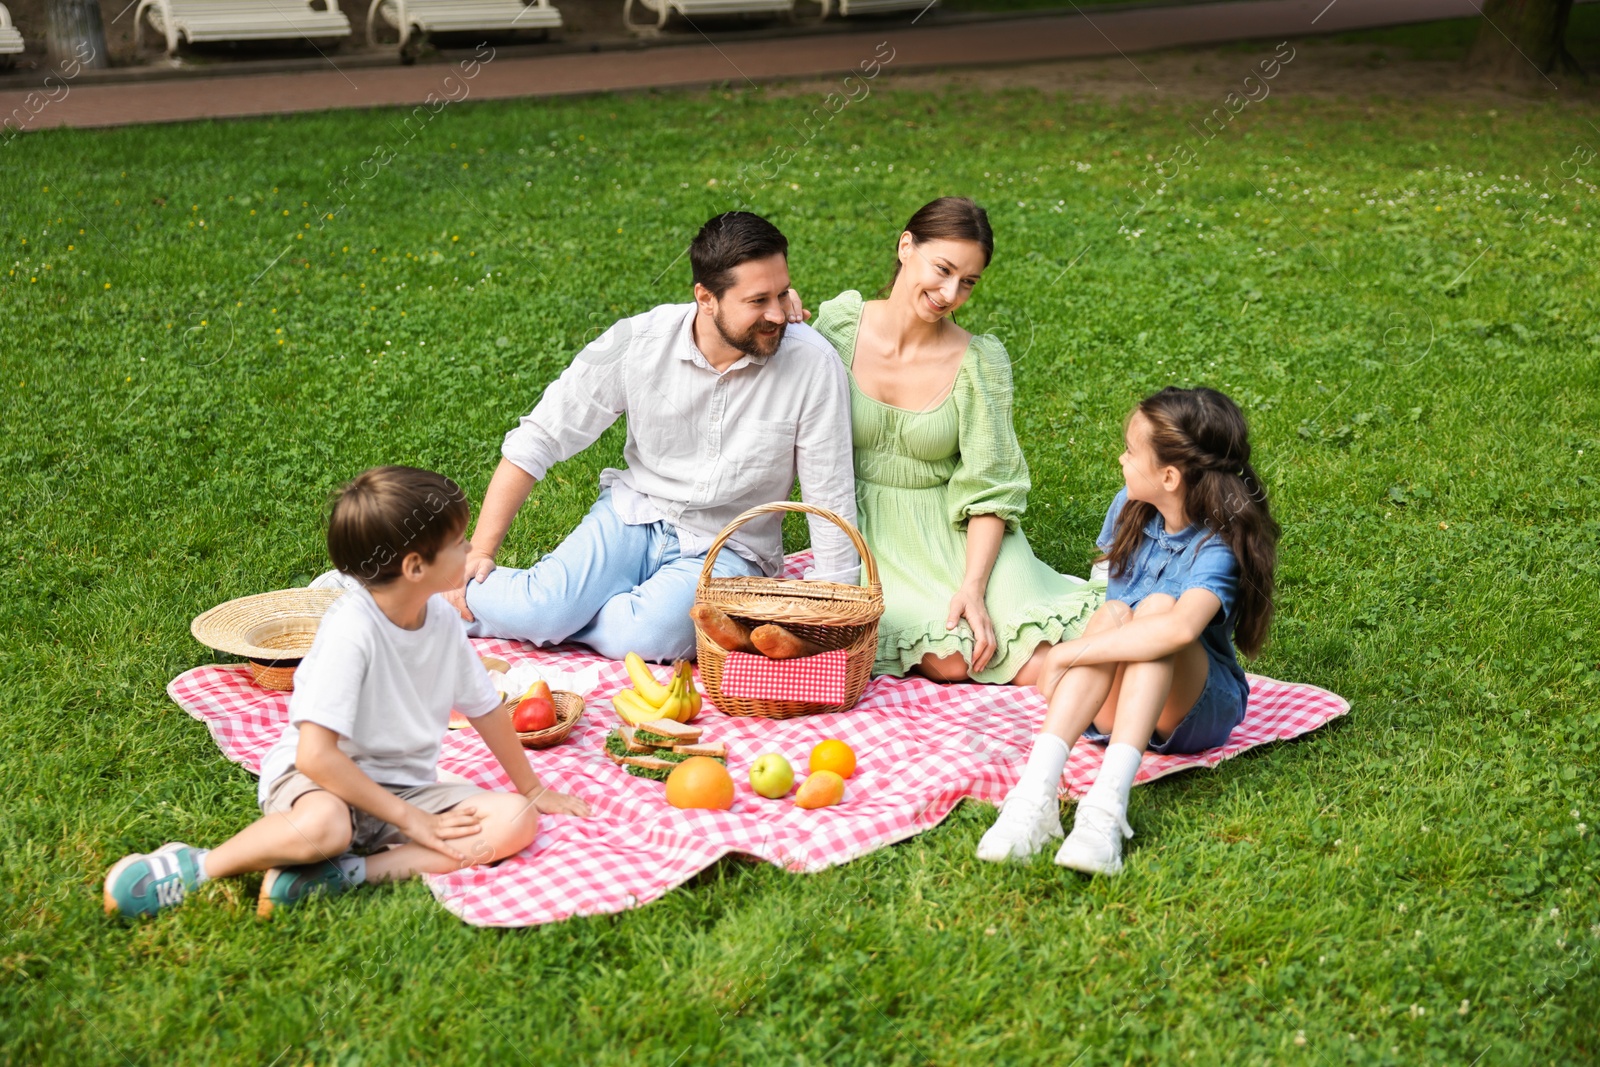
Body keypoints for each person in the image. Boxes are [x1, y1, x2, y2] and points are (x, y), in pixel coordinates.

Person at [104, 466, 590, 920]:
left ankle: (344, 875)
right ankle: (197, 866)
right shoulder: (351, 632)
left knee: (514, 822)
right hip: (320, 782)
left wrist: (532, 789)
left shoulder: (441, 620)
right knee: (327, 827)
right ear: (416, 566)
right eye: (460, 543)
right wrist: (412, 822)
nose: (470, 553)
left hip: (403, 787)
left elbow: (484, 707)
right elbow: (317, 758)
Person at [447, 212, 859, 663]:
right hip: (635, 513)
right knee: (548, 607)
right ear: (706, 298)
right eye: (758, 300)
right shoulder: (638, 342)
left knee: (650, 635)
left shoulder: (812, 365)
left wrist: (834, 620)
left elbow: (829, 494)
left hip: (732, 547)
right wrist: (482, 549)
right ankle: (443, 597)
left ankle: (550, 615)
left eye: (782, 293)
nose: (779, 314)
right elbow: (540, 437)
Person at [976, 387, 1280, 875]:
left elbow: (1179, 630)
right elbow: (1112, 603)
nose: (1121, 456)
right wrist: (1079, 649)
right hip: (1122, 705)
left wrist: (1065, 655)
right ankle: (1034, 797)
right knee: (1116, 613)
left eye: (1131, 450)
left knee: (1158, 609)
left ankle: (1106, 810)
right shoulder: (1130, 506)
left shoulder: (1217, 546)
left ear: (1169, 476)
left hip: (1196, 709)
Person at [804, 197, 1103, 686]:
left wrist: (974, 585)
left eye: (968, 282)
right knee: (951, 658)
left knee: (1028, 643)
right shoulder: (839, 328)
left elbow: (990, 483)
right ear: (906, 246)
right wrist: (786, 316)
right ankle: (1117, 682)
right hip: (873, 533)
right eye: (942, 269)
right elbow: (774, 383)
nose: (949, 293)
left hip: (961, 527)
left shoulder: (979, 362)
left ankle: (1131, 681)